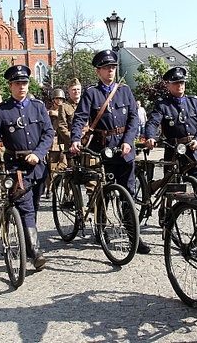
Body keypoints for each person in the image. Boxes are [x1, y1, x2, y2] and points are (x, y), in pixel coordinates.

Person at [69, 49, 150, 255]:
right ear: (98, 71)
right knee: (102, 193)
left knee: (128, 195)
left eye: (113, 67)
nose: (110, 71)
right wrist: (76, 138)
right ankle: (101, 229)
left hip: (124, 149)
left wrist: (129, 142)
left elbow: (133, 118)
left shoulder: (124, 91)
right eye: (106, 68)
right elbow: (80, 118)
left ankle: (134, 237)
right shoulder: (91, 93)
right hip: (101, 149)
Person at [0, 65, 54, 269]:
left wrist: (38, 154)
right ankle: (35, 252)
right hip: (15, 167)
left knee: (34, 206)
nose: (22, 87)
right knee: (25, 207)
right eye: (18, 83)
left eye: (25, 83)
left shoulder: (38, 106)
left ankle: (28, 240)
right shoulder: (3, 111)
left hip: (37, 166)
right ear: (10, 86)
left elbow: (48, 133)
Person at [144, 66, 197, 190]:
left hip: (194, 151)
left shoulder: (194, 101)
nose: (179, 85)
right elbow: (152, 122)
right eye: (175, 83)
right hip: (173, 150)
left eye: (181, 82)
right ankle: (167, 208)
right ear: (168, 85)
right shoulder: (163, 104)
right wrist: (150, 137)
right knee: (170, 188)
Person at [45, 88, 66, 198]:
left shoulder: (65, 110)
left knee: (65, 166)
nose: (59, 101)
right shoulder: (48, 112)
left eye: (61, 99)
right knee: (51, 169)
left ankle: (66, 191)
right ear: (53, 100)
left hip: (63, 143)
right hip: (52, 144)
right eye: (57, 99)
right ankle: (50, 188)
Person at [57, 78, 83, 166]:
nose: (76, 91)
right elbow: (61, 126)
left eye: (78, 89)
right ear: (69, 91)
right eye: (74, 89)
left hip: (87, 143)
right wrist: (73, 140)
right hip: (71, 145)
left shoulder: (86, 105)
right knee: (73, 173)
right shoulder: (64, 107)